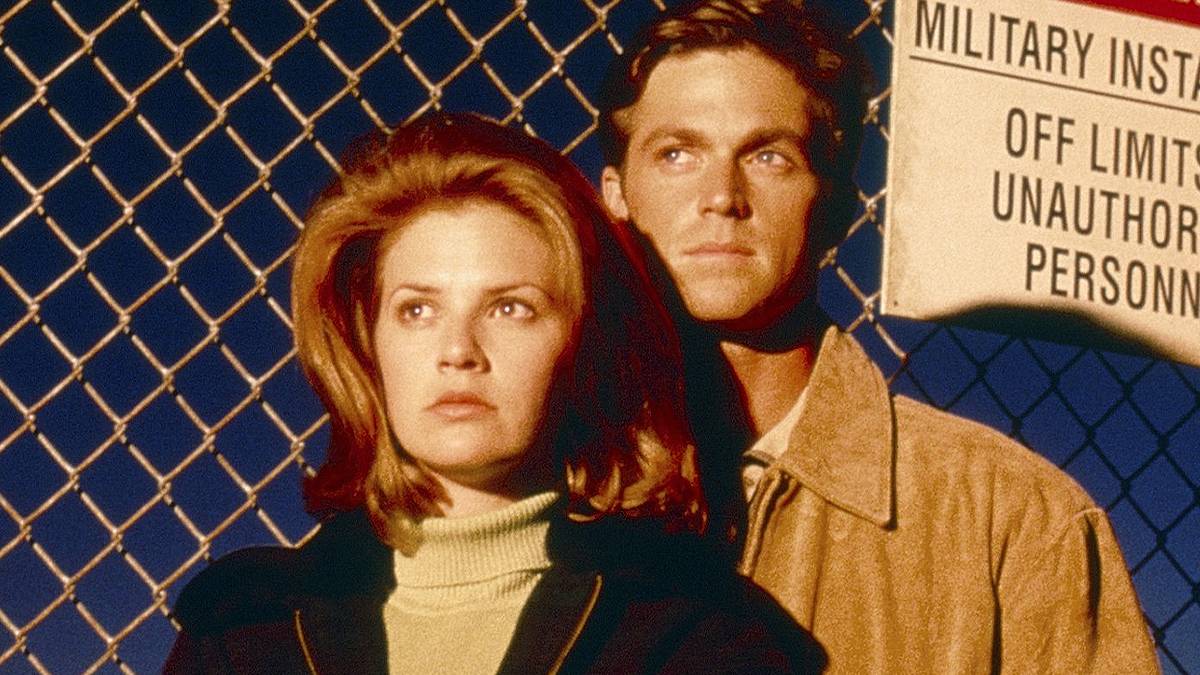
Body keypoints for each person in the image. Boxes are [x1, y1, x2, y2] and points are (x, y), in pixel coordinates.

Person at [596, 1, 1159, 672]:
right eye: (677, 153)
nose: (722, 194)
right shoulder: (542, 484)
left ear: (832, 204)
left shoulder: (1010, 517)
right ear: (616, 196)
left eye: (769, 155)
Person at [163, 112, 824, 673]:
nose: (458, 350)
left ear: (584, 341)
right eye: (417, 310)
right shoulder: (243, 634)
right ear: (369, 344)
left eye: (511, 308)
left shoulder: (695, 634)